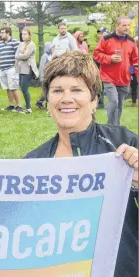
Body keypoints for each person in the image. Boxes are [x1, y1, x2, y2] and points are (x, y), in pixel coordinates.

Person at [24, 51, 138, 277]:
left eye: (76, 90)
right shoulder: (33, 163)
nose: (66, 98)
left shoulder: (124, 144)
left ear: (94, 100)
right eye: (57, 91)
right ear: (48, 102)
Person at [93, 16, 138, 126]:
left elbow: (135, 60)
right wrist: (109, 59)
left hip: (124, 79)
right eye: (124, 25)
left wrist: (135, 75)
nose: (126, 27)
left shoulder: (131, 42)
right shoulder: (106, 39)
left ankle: (115, 127)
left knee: (120, 105)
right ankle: (111, 127)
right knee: (113, 102)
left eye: (128, 25)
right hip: (108, 77)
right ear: (117, 26)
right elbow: (96, 54)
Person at [0, 27, 23, 113]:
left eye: (3, 33)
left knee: (14, 87)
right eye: (1, 33)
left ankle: (19, 105)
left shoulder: (15, 42)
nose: (1, 34)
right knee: (8, 88)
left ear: (8, 33)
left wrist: (15, 66)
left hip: (12, 68)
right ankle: (11, 105)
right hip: (2, 68)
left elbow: (18, 55)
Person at [15, 27, 39, 114]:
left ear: (29, 35)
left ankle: (28, 108)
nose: (23, 36)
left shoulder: (31, 44)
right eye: (22, 34)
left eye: (25, 34)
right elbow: (18, 54)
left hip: (28, 68)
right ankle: (27, 107)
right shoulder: (21, 44)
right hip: (21, 68)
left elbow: (25, 56)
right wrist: (20, 55)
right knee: (22, 87)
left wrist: (19, 56)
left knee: (24, 88)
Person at [36, 42, 53, 110]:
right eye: (51, 48)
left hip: (49, 76)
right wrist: (42, 76)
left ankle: (44, 103)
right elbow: (42, 67)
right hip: (44, 76)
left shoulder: (50, 56)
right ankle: (40, 102)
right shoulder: (45, 56)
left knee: (47, 90)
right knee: (46, 90)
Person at [95, 27, 109, 110]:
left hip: (107, 68)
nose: (100, 34)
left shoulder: (109, 42)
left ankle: (108, 104)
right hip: (98, 67)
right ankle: (100, 103)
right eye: (99, 33)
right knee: (100, 86)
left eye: (102, 33)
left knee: (108, 87)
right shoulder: (99, 43)